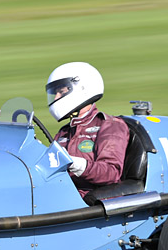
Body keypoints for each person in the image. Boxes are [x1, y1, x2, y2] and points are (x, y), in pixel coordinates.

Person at [45, 62, 129, 198]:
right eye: (55, 93)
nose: (56, 98)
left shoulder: (110, 126)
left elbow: (111, 173)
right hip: (61, 195)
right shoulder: (65, 131)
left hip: (89, 200)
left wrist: (75, 164)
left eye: (61, 92)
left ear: (82, 88)